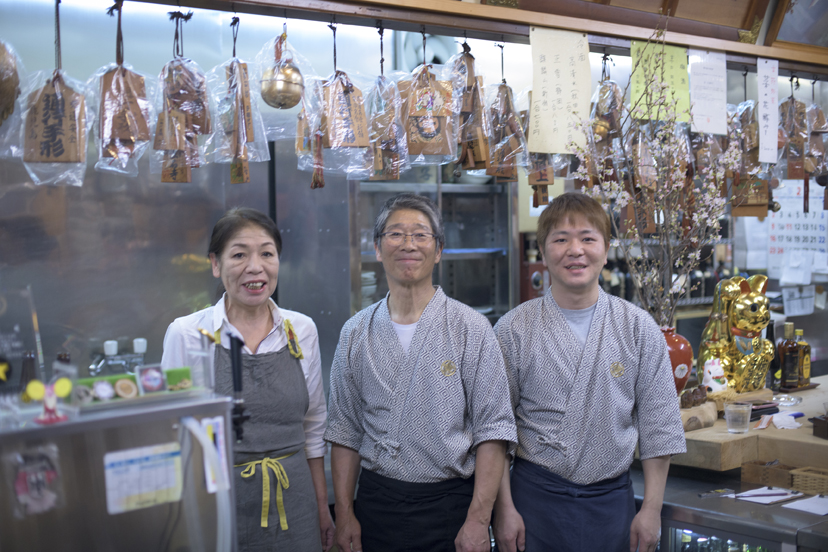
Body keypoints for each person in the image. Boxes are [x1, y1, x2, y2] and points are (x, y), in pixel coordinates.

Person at [492, 193, 686, 552]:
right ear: (544, 249)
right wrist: (503, 509)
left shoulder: (637, 327)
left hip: (611, 502)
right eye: (561, 239)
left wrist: (652, 510)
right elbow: (495, 431)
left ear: (607, 248)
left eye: (587, 238)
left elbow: (660, 425)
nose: (575, 250)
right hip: (533, 500)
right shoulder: (513, 329)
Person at [325, 193, 517, 552]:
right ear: (378, 248)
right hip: (376, 505)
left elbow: (493, 430)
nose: (408, 244)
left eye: (420, 234)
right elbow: (344, 430)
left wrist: (478, 520)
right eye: (396, 234)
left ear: (439, 249)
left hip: (449, 507)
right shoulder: (355, 332)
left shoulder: (470, 327)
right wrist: (345, 513)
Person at [161, 207, 334, 552]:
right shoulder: (187, 334)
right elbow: (172, 434)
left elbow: (313, 427)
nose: (256, 267)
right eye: (239, 254)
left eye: (267, 254)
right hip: (218, 504)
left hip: (296, 502)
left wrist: (321, 507)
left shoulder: (301, 330)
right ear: (215, 264)